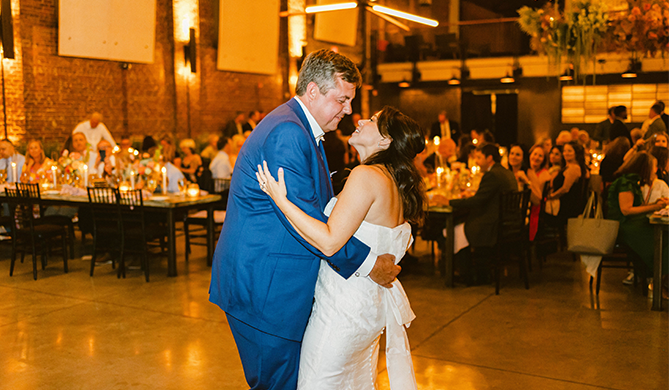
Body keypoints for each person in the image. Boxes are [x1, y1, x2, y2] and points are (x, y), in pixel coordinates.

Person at [209, 49, 399, 390]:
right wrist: (369, 263)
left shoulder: (296, 126)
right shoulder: (288, 133)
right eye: (342, 99)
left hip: (275, 284)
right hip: (265, 288)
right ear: (312, 91)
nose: (349, 110)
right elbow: (306, 222)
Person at [257, 105, 424, 389]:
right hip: (368, 313)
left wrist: (280, 199)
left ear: (386, 140)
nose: (359, 119)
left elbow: (330, 241)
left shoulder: (366, 176)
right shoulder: (394, 183)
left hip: (341, 315)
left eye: (372, 120)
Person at [434, 143, 518, 250]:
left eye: (479, 158)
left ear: (489, 158)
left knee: (451, 231)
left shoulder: (492, 175)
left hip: (492, 225)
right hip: (508, 222)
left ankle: (462, 265)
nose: (476, 162)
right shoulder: (506, 172)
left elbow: (477, 201)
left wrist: (449, 202)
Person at [607, 152, 668, 296]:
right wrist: (655, 207)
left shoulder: (633, 181)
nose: (656, 170)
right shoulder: (626, 182)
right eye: (653, 167)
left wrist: (655, 203)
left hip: (633, 223)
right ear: (645, 168)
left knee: (665, 236)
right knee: (664, 240)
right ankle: (660, 281)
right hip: (626, 226)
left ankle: (661, 280)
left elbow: (637, 206)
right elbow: (626, 210)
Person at [547, 142, 588, 225]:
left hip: (568, 207)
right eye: (564, 151)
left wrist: (551, 197)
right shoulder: (568, 167)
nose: (566, 153)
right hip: (565, 206)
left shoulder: (574, 168)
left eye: (569, 151)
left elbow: (565, 189)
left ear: (576, 153)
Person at [525, 144, 552, 241]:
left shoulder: (544, 174)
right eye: (535, 154)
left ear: (544, 159)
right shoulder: (528, 171)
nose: (536, 157)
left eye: (540, 156)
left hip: (534, 208)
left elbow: (537, 197)